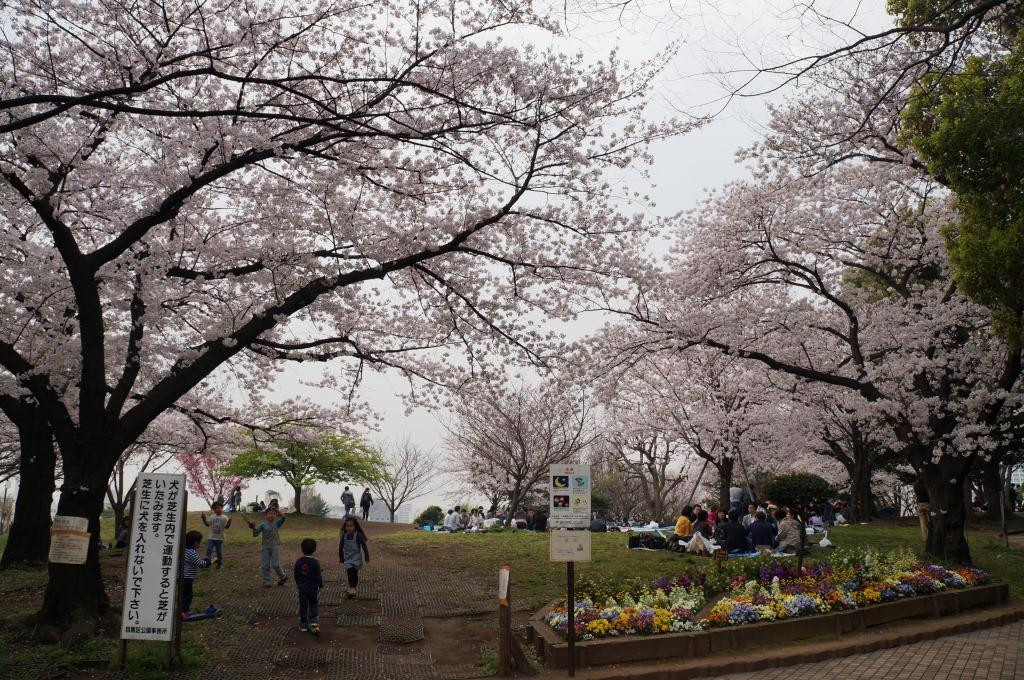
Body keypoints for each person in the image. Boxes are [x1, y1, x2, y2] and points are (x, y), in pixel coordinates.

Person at [249, 507, 287, 587]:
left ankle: (283, 576)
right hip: (265, 547)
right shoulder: (262, 525)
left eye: (274, 514)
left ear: (276, 516)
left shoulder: (277, 524)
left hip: (275, 546)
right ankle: (266, 581)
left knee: (276, 564)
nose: (272, 515)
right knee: (265, 565)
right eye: (270, 513)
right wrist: (253, 528)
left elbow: (283, 517)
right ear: (266, 515)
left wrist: (277, 510)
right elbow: (255, 534)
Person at [181, 530, 215, 617]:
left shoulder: (184, 549)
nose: (200, 544)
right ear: (195, 542)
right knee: (188, 595)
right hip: (186, 578)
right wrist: (211, 561)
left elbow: (195, 561)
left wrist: (204, 560)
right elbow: (200, 564)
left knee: (184, 595)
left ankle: (183, 609)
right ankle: (183, 612)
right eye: (200, 542)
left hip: (181, 577)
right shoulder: (191, 552)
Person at [294, 538, 323, 633]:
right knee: (313, 603)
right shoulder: (315, 562)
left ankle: (303, 624)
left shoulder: (298, 562)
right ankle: (314, 620)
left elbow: (296, 574)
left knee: (303, 605)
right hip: (313, 587)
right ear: (314, 550)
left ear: (302, 549)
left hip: (302, 587)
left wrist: (298, 584)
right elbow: (318, 575)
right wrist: (320, 584)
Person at [339, 516, 370, 597]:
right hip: (348, 558)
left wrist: (367, 557)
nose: (348, 528)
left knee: (354, 573)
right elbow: (340, 547)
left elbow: (364, 546)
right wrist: (341, 557)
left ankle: (354, 587)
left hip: (356, 558)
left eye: (351, 526)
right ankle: (352, 587)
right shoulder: (344, 536)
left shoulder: (358, 535)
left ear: (355, 527)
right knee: (349, 572)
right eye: (347, 526)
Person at [201, 500, 231, 568]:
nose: (216, 510)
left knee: (219, 552)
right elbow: (207, 524)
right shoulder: (212, 516)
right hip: (211, 537)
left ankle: (219, 563)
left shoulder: (225, 517)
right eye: (214, 509)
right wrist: (203, 519)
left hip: (220, 538)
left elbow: (226, 527)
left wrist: (229, 524)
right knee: (208, 550)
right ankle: (207, 563)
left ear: (222, 507)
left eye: (218, 507)